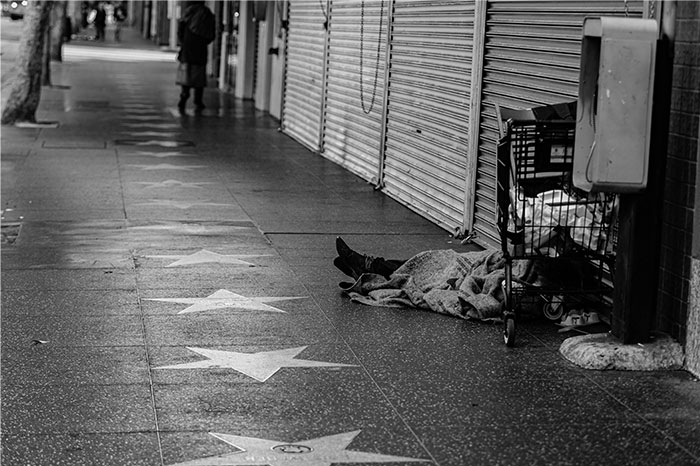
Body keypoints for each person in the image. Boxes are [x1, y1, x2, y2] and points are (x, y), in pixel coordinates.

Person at [176, 1, 215, 114]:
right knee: (199, 73)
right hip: (200, 48)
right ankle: (198, 100)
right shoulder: (206, 14)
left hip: (187, 47)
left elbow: (180, 28)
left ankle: (184, 95)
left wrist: (183, 41)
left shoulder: (188, 12)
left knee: (187, 72)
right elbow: (211, 34)